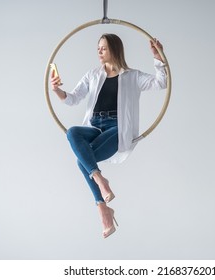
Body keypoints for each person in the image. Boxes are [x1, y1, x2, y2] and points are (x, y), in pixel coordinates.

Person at [50, 33, 167, 238]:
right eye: (98, 48)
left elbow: (161, 82)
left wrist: (159, 57)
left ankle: (102, 207)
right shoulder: (92, 75)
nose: (99, 51)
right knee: (72, 132)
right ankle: (100, 181)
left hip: (118, 128)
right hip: (95, 126)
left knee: (81, 161)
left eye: (103, 47)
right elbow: (72, 99)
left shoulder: (133, 76)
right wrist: (56, 89)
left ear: (115, 49)